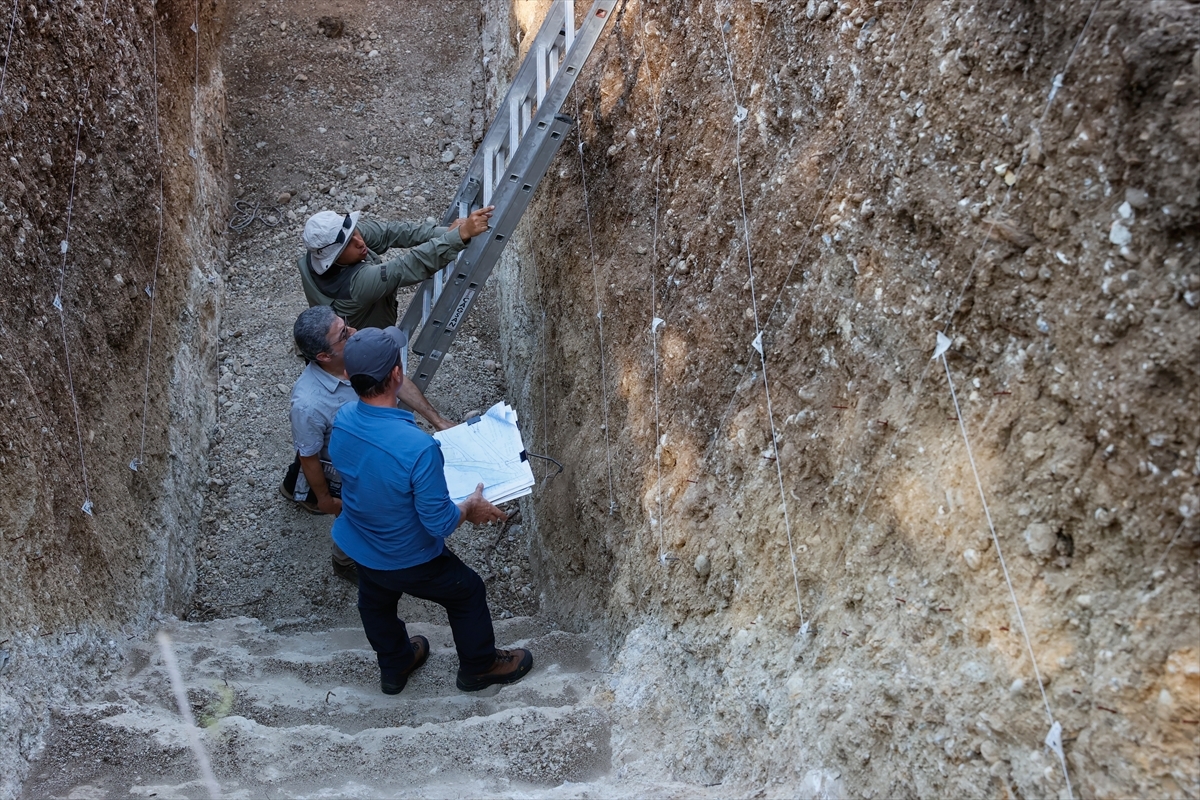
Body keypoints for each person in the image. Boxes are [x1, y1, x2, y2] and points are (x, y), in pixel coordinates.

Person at [330, 326, 533, 695]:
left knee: (375, 604)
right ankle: (479, 666)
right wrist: (469, 506)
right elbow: (438, 521)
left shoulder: (342, 419)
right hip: (408, 557)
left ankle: (395, 665)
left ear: (347, 375)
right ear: (396, 375)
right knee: (466, 591)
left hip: (360, 542)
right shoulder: (418, 449)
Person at [280, 305, 454, 585]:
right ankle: (344, 560)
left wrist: (437, 420)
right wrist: (325, 499)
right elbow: (309, 455)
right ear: (324, 356)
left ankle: (291, 490)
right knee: (355, 514)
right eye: (343, 334)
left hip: (360, 451)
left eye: (346, 325)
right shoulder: (307, 405)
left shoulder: (356, 352)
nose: (354, 333)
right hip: (348, 468)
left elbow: (393, 377)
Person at [298, 205, 493, 330]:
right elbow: (408, 266)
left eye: (355, 233)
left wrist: (444, 233)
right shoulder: (357, 286)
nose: (359, 241)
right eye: (348, 244)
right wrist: (460, 235)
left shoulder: (330, 242)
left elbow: (391, 232)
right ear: (332, 258)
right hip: (357, 346)